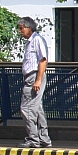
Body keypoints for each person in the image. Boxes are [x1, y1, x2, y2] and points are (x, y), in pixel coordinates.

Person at [17, 17, 51, 148]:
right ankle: (44, 139)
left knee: (27, 108)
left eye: (21, 28)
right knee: (37, 109)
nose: (20, 31)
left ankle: (33, 139)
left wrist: (37, 80)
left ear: (29, 28)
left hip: (34, 77)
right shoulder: (30, 42)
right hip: (32, 77)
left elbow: (43, 60)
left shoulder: (36, 40)